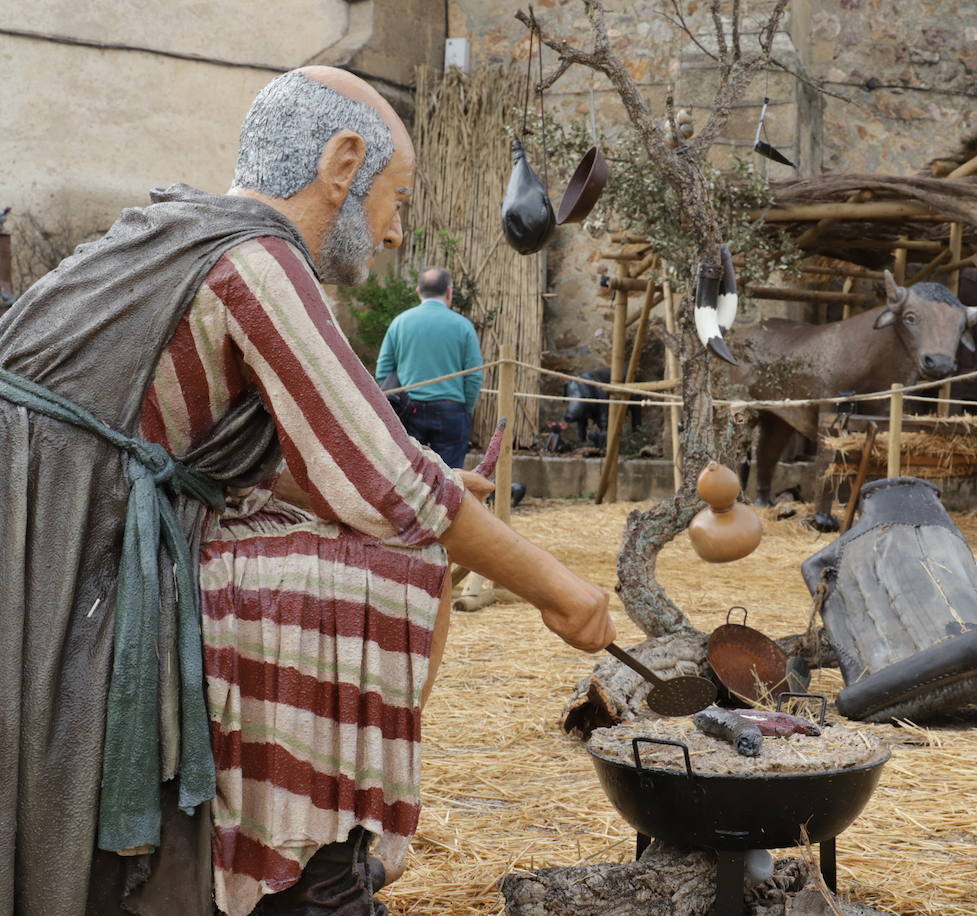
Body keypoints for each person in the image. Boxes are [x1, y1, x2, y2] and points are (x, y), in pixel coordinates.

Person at [0, 67, 614, 916]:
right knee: (398, 565)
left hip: (50, 529)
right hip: (75, 559)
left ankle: (307, 853)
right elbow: (396, 490)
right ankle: (303, 867)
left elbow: (250, 452)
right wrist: (561, 589)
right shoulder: (255, 259)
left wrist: (424, 483)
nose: (397, 233)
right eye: (394, 198)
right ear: (343, 162)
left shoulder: (171, 225)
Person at [375, 267, 483, 469]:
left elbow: (383, 371)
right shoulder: (463, 326)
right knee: (452, 478)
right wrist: (465, 409)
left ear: (418, 291)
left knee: (410, 475)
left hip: (410, 410)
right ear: (449, 292)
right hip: (452, 409)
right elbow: (474, 376)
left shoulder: (400, 322)